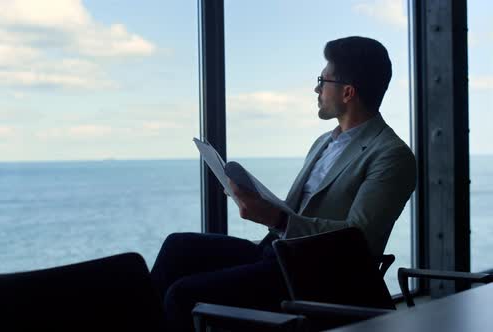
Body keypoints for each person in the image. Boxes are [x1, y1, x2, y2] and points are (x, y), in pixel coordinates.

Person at [150, 36, 417, 332]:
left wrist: (276, 217)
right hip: (278, 252)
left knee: (183, 295)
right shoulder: (324, 142)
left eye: (322, 80)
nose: (316, 88)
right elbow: (299, 211)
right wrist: (256, 202)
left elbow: (359, 238)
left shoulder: (391, 155)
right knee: (179, 248)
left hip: (318, 273)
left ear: (347, 93)